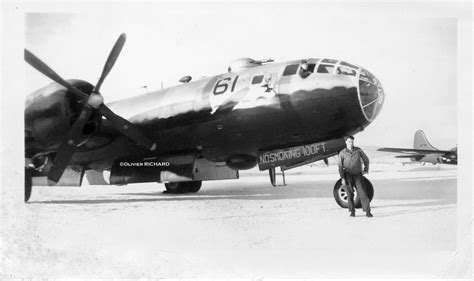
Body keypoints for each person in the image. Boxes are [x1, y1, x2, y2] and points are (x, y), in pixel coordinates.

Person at [337, 136, 372, 217]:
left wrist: (366, 170)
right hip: (347, 175)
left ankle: (367, 211)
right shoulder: (342, 153)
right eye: (349, 141)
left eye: (352, 141)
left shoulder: (358, 150)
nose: (351, 143)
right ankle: (352, 211)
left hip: (358, 175)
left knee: (363, 193)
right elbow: (340, 166)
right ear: (346, 142)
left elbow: (366, 160)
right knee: (349, 194)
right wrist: (342, 178)